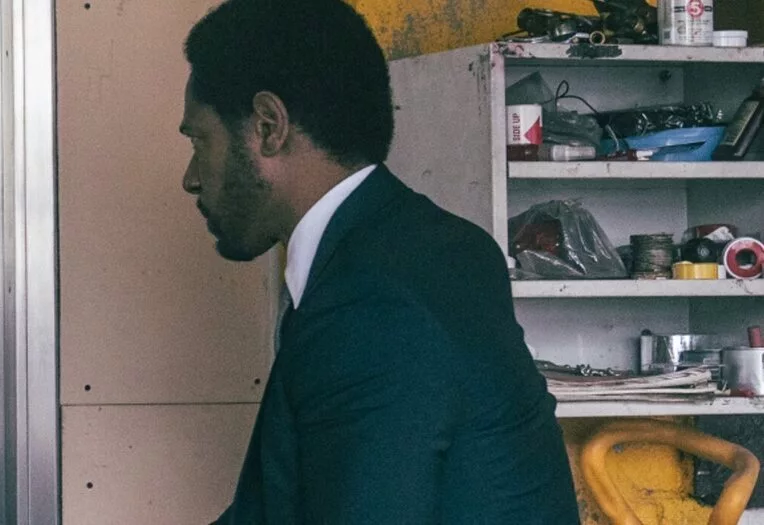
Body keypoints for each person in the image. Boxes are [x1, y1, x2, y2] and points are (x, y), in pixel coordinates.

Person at [178, 1, 580, 522]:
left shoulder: (368, 301)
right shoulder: (440, 247)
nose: (191, 177)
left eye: (199, 140)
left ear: (268, 126)